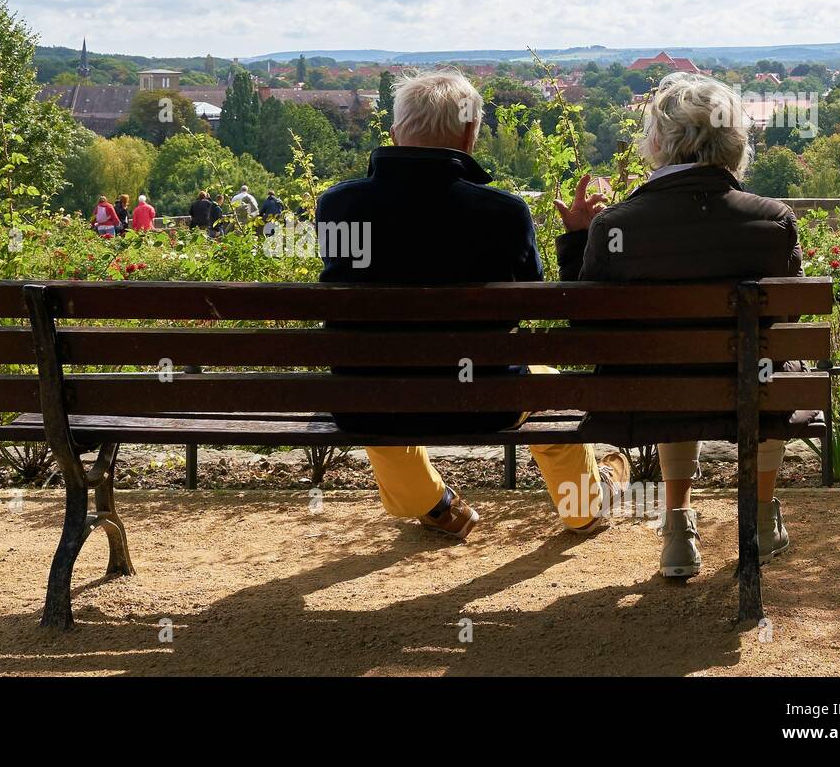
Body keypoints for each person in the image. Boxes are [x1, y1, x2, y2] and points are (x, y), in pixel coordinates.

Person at [317, 70, 628, 539]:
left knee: (372, 377)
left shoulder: (337, 206)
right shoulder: (504, 211)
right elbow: (535, 303)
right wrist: (579, 238)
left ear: (396, 134)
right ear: (469, 134)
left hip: (369, 399)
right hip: (484, 401)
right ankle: (585, 505)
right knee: (551, 389)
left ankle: (434, 505)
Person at [554, 71, 802, 578]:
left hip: (649, 394)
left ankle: (677, 529)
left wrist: (578, 239)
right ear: (734, 141)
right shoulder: (773, 220)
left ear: (659, 143)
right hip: (749, 389)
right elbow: (787, 318)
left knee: (670, 364)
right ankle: (758, 521)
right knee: (768, 365)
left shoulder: (616, 225)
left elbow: (582, 326)